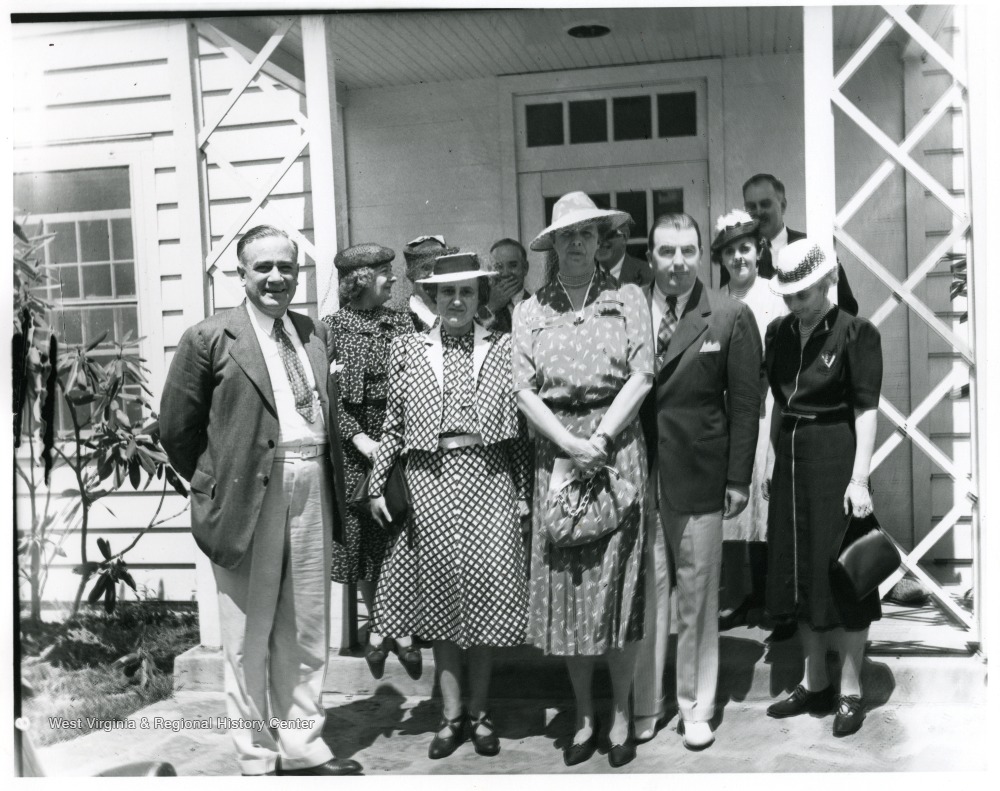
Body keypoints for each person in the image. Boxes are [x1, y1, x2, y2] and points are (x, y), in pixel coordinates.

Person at [159, 225, 361, 776]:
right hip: (251, 493)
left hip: (312, 481)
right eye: (263, 268)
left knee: (307, 624)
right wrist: (216, 482)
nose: (276, 277)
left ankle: (300, 744)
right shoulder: (209, 338)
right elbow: (176, 430)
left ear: (298, 272)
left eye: (286, 268)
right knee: (249, 633)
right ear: (240, 274)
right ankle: (256, 752)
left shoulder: (310, 333)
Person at [368, 252, 531, 760]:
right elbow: (392, 426)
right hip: (429, 482)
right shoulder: (409, 350)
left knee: (482, 605)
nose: (456, 301)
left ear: (480, 296)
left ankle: (481, 715)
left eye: (466, 292)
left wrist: (524, 494)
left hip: (489, 478)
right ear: (432, 298)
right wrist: (377, 486)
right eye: (446, 293)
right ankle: (451, 716)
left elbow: (521, 437)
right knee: (439, 607)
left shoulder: (504, 347)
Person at [512, 191, 652, 768]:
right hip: (559, 458)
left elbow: (643, 373)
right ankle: (584, 715)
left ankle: (620, 713)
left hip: (617, 451)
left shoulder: (628, 297)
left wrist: (600, 440)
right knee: (571, 592)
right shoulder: (530, 309)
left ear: (601, 240)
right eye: (566, 235)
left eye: (587, 234)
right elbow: (523, 388)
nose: (576, 243)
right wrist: (570, 444)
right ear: (553, 244)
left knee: (617, 590)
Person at [633, 212, 761, 751]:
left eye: (688, 251)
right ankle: (644, 704)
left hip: (703, 473)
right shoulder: (629, 310)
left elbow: (747, 405)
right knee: (646, 595)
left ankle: (696, 705)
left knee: (698, 595)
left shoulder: (729, 315)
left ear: (700, 254)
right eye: (666, 252)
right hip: (638, 475)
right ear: (651, 257)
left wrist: (737, 479)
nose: (678, 263)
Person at [762, 238, 883, 738]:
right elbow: (777, 403)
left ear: (827, 282)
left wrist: (859, 479)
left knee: (844, 573)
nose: (795, 303)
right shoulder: (778, 332)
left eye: (804, 293)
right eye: (788, 295)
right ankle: (814, 681)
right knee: (801, 571)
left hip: (836, 454)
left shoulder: (857, 333)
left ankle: (851, 689)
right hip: (791, 458)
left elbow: (866, 408)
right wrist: (772, 461)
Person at [322, 242, 421, 681]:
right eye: (385, 273)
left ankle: (398, 631)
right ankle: (384, 628)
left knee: (400, 537)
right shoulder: (330, 331)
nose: (394, 279)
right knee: (364, 544)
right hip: (355, 453)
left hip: (401, 446)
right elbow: (326, 397)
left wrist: (394, 440)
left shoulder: (404, 322)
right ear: (360, 279)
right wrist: (360, 439)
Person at [710, 210, 790, 638]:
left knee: (770, 503)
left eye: (745, 248)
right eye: (730, 252)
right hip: (732, 414)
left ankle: (779, 605)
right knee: (737, 510)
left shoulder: (776, 295)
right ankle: (743, 598)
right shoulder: (716, 302)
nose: (739, 258)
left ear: (759, 251)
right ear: (721, 259)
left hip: (771, 408)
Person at [736, 173, 859, 316]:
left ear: (783, 206)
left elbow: (847, 307)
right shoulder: (736, 257)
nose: (758, 212)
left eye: (765, 204)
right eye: (751, 207)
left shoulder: (813, 247)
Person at [402, 234, 454, 332]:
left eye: (440, 267)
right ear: (410, 273)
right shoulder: (394, 316)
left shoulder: (463, 312)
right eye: (426, 268)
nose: (433, 275)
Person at [484, 237, 531, 333]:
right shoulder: (479, 308)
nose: (505, 273)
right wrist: (491, 307)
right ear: (489, 271)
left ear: (525, 268)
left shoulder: (538, 306)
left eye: (513, 265)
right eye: (498, 267)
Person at [596, 216, 653, 287]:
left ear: (624, 237)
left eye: (608, 234)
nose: (600, 241)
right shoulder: (582, 275)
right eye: (594, 236)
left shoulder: (649, 274)